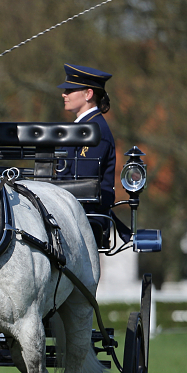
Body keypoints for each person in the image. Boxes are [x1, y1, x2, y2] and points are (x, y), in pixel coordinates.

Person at [57, 63, 116, 245]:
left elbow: (81, 181)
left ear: (88, 94)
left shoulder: (95, 131)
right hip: (70, 211)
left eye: (70, 90)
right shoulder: (83, 127)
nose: (63, 94)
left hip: (85, 217)